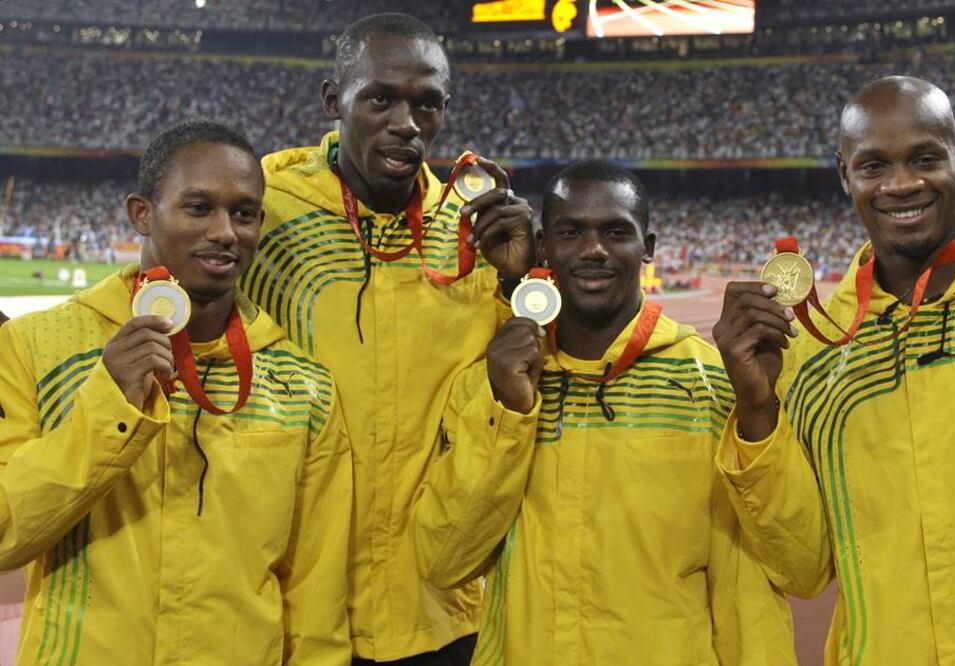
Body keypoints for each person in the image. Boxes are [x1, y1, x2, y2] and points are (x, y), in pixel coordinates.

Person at [713, 76, 955, 664]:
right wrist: (757, 412)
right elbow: (803, 568)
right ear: (844, 174)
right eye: (874, 165)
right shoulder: (817, 355)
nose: (902, 184)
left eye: (925, 158)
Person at [412, 161, 797, 665]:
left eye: (616, 232)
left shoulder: (714, 385)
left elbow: (787, 572)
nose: (593, 250)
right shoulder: (492, 384)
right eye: (572, 232)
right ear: (545, 245)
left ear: (649, 247)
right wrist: (507, 413)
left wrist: (757, 412)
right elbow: (443, 561)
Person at [239, 13, 535, 666]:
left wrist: (524, 283)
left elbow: (524, 387)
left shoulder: (475, 227)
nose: (406, 122)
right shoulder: (264, 211)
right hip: (292, 610)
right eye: (380, 99)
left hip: (437, 607)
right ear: (332, 100)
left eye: (425, 104)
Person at [0, 120, 352, 665]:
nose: (225, 231)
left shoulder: (303, 384)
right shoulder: (33, 348)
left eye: (243, 213)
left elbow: (314, 591)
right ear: (142, 213)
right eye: (198, 208)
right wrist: (110, 405)